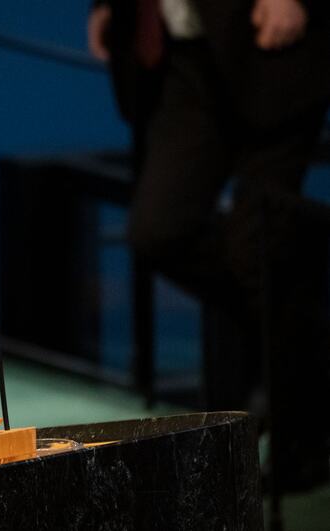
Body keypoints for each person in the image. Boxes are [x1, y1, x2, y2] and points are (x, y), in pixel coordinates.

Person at [88, 0, 330, 489]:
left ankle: (300, 444)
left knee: (259, 248)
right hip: (186, 59)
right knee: (158, 231)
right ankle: (302, 344)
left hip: (271, 50)